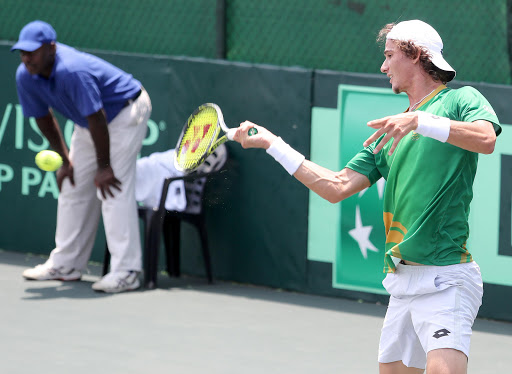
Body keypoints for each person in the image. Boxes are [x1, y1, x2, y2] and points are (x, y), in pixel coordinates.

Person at [232, 20, 501, 373]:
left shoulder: (460, 100)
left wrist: (421, 121)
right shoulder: (389, 133)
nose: (383, 66)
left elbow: (486, 139)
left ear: (416, 55)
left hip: (446, 278)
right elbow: (336, 186)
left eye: (389, 56)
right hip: (403, 283)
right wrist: (273, 144)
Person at [12, 20, 152, 293]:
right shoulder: (25, 75)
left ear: (51, 48)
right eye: (22, 52)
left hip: (125, 112)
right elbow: (43, 118)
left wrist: (105, 167)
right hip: (91, 120)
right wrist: (66, 160)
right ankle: (66, 264)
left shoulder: (71, 70)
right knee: (73, 182)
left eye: (33, 51)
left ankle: (126, 271)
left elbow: (98, 118)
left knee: (113, 186)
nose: (27, 58)